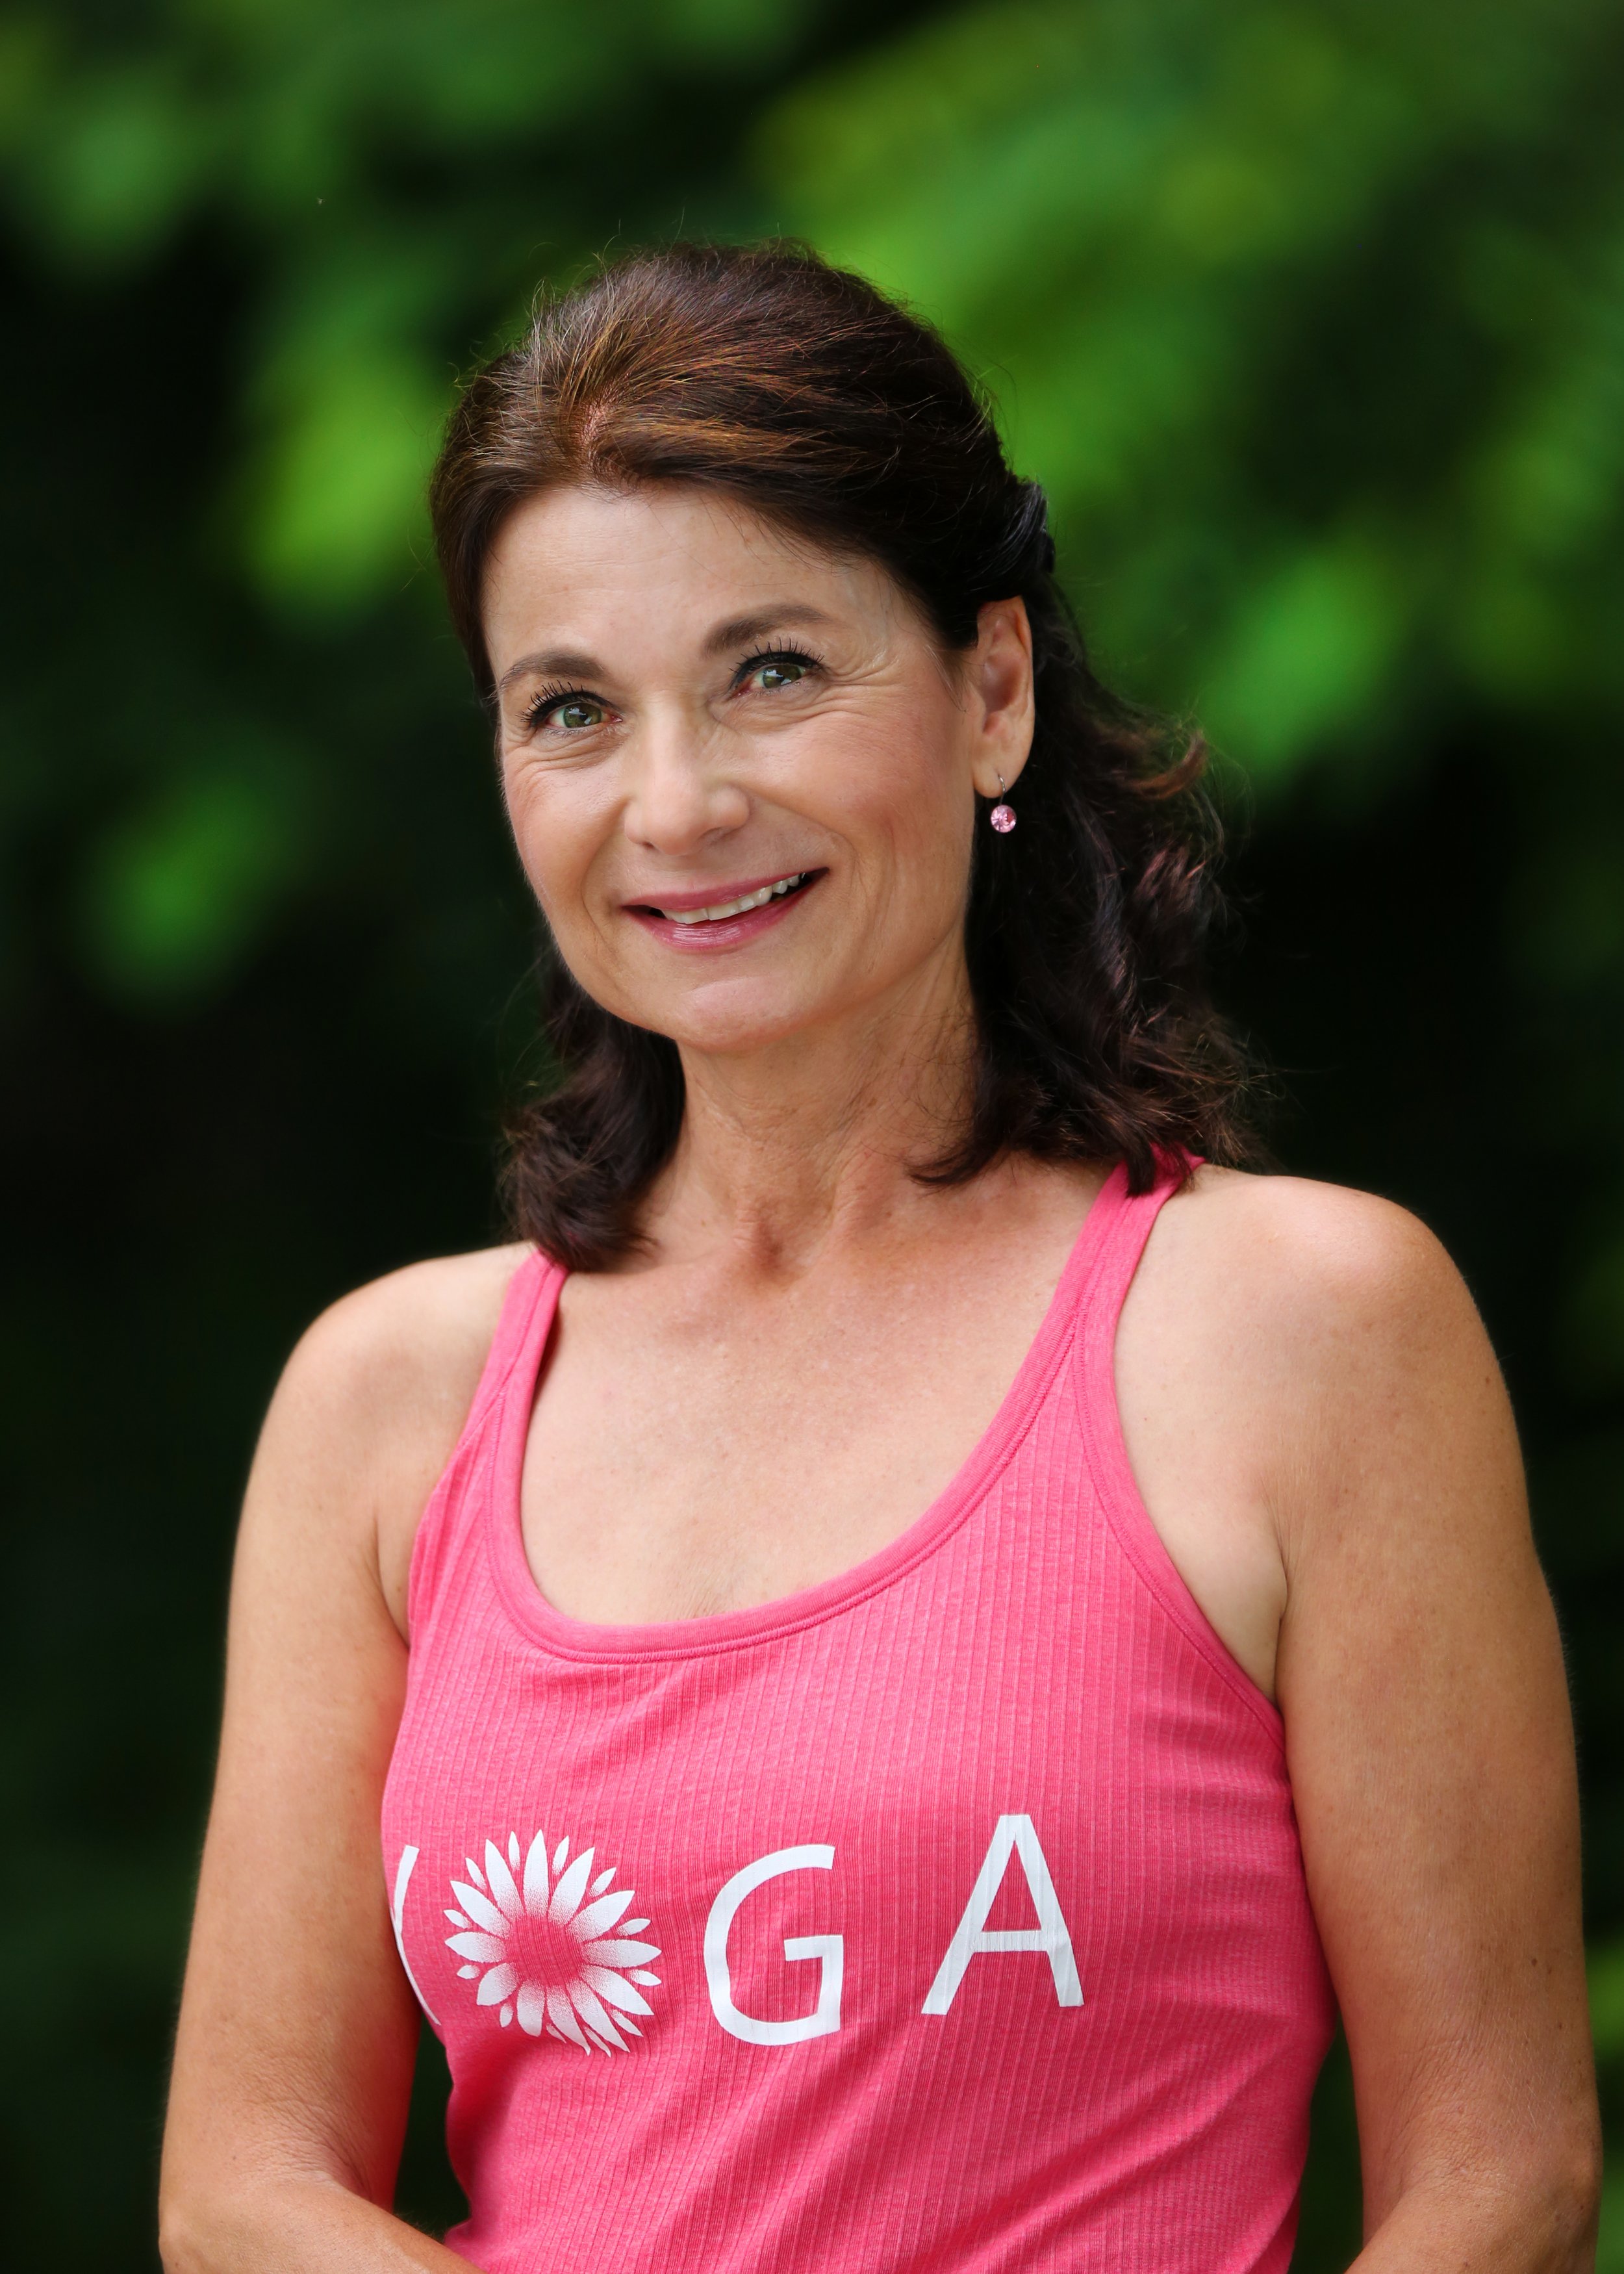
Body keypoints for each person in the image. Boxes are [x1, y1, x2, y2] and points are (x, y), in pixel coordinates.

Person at [159, 244, 1599, 2274]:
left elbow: (1501, 2178)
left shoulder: (1303, 1332)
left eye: (771, 670)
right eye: (571, 709)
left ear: (990, 686)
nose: (676, 802)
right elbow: (239, 2192)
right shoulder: (387, 1404)